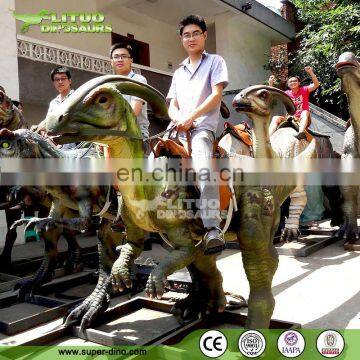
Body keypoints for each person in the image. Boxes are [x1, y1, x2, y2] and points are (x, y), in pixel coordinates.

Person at [167, 14, 229, 255]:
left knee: (204, 166)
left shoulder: (215, 61)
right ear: (181, 39)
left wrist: (191, 117)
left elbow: (216, 96)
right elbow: (171, 104)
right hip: (178, 128)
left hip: (202, 127)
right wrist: (177, 118)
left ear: (204, 35)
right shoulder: (178, 71)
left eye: (195, 33)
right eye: (186, 35)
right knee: (153, 161)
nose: (190, 38)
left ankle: (212, 228)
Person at [110, 42, 150, 140]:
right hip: (113, 132)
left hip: (136, 131)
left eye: (124, 56)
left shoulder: (139, 80)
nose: (120, 59)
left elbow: (134, 111)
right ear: (111, 61)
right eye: (116, 57)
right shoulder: (109, 84)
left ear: (131, 60)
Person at [269, 67, 320, 140]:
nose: (292, 82)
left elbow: (316, 84)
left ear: (299, 83)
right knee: (275, 118)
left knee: (305, 112)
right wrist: (270, 83)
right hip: (291, 118)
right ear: (288, 84)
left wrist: (311, 72)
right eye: (290, 82)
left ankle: (301, 133)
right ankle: (268, 138)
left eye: (295, 81)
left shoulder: (304, 89)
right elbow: (272, 94)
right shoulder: (286, 93)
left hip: (303, 118)